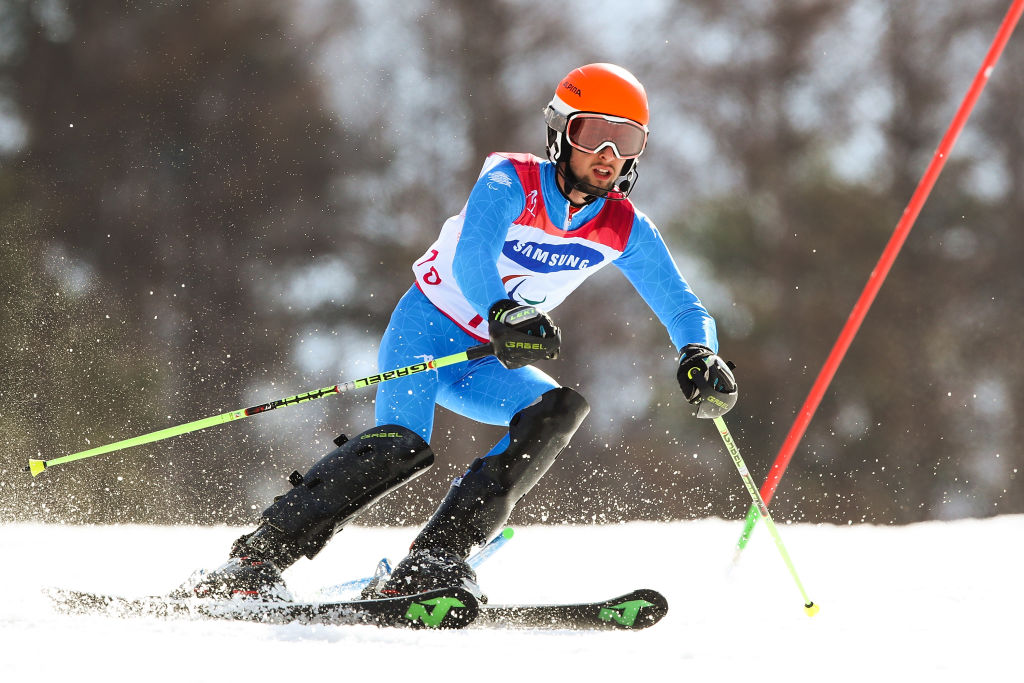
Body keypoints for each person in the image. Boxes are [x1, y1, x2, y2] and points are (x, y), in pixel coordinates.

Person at [178, 63, 737, 602]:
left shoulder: (624, 227)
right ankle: (255, 561)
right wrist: (503, 310)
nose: (608, 156)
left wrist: (699, 354)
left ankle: (434, 561)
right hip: (426, 333)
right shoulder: (511, 181)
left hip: (487, 359)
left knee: (558, 409)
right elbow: (473, 256)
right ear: (561, 134)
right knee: (400, 445)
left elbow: (682, 304)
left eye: (627, 140)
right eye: (593, 133)